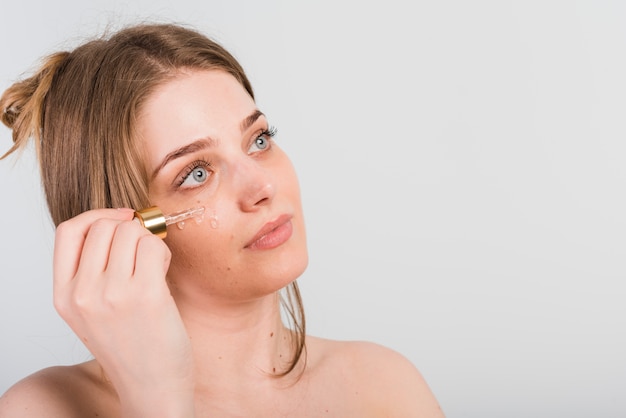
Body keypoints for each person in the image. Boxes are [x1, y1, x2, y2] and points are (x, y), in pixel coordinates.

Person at [0, 22, 445, 417]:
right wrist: (157, 400)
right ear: (127, 225)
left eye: (259, 140)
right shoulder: (39, 409)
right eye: (196, 173)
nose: (262, 187)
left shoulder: (385, 386)